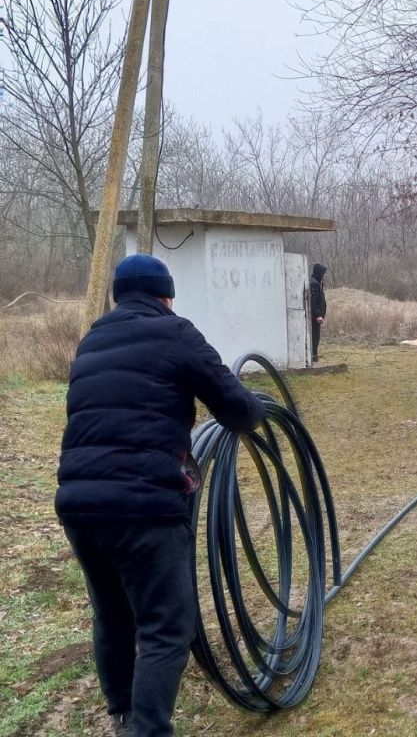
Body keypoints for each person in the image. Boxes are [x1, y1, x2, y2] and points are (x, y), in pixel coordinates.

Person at [56, 254, 265, 737]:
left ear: (119, 296)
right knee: (167, 627)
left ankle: (123, 714)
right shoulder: (176, 331)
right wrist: (259, 413)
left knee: (112, 610)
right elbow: (234, 406)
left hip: (79, 504)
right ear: (165, 296)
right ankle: (148, 730)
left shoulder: (93, 338)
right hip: (144, 504)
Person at [310, 263, 328, 363]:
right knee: (314, 337)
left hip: (317, 317)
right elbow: (313, 303)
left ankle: (314, 355)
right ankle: (313, 356)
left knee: (316, 337)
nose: (324, 276)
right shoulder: (314, 284)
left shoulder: (317, 282)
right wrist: (318, 315)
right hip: (315, 318)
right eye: (323, 273)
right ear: (319, 273)